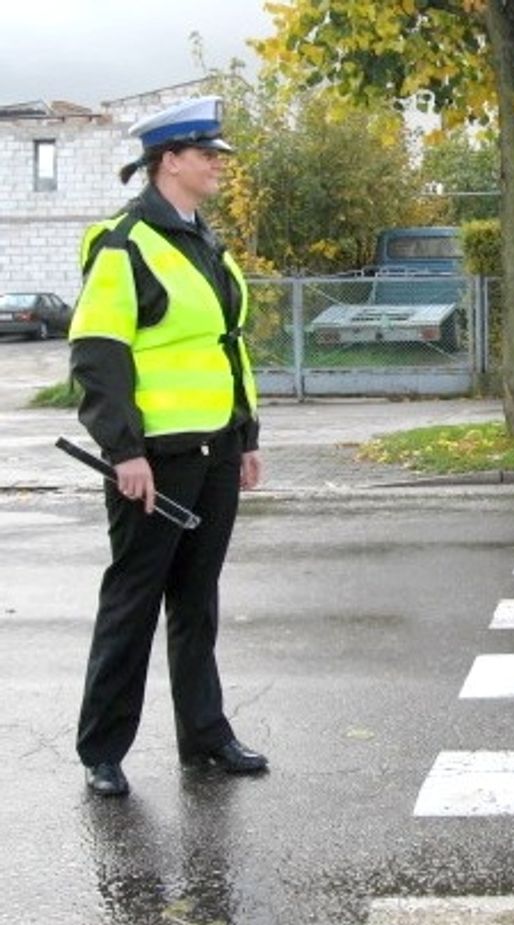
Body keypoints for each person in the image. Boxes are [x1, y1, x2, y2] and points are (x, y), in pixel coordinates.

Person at [69, 96, 267, 797]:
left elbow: (225, 348)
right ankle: (102, 749)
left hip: (213, 451)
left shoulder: (204, 240)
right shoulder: (125, 244)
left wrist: (244, 435)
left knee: (196, 599)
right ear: (168, 161)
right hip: (153, 460)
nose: (218, 164)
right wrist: (124, 452)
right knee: (134, 597)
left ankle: (205, 736)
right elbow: (98, 356)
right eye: (207, 154)